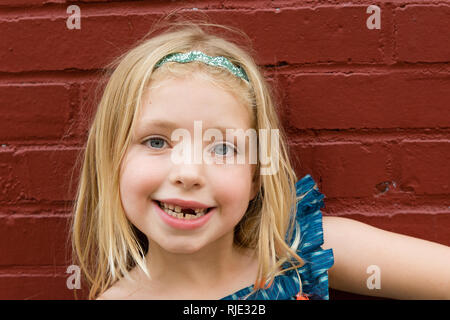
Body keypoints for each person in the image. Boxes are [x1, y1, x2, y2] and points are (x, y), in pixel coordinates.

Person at [70, 18, 450, 300]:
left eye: (223, 149)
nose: (188, 172)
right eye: (156, 141)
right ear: (112, 161)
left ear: (255, 177)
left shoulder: (307, 250)